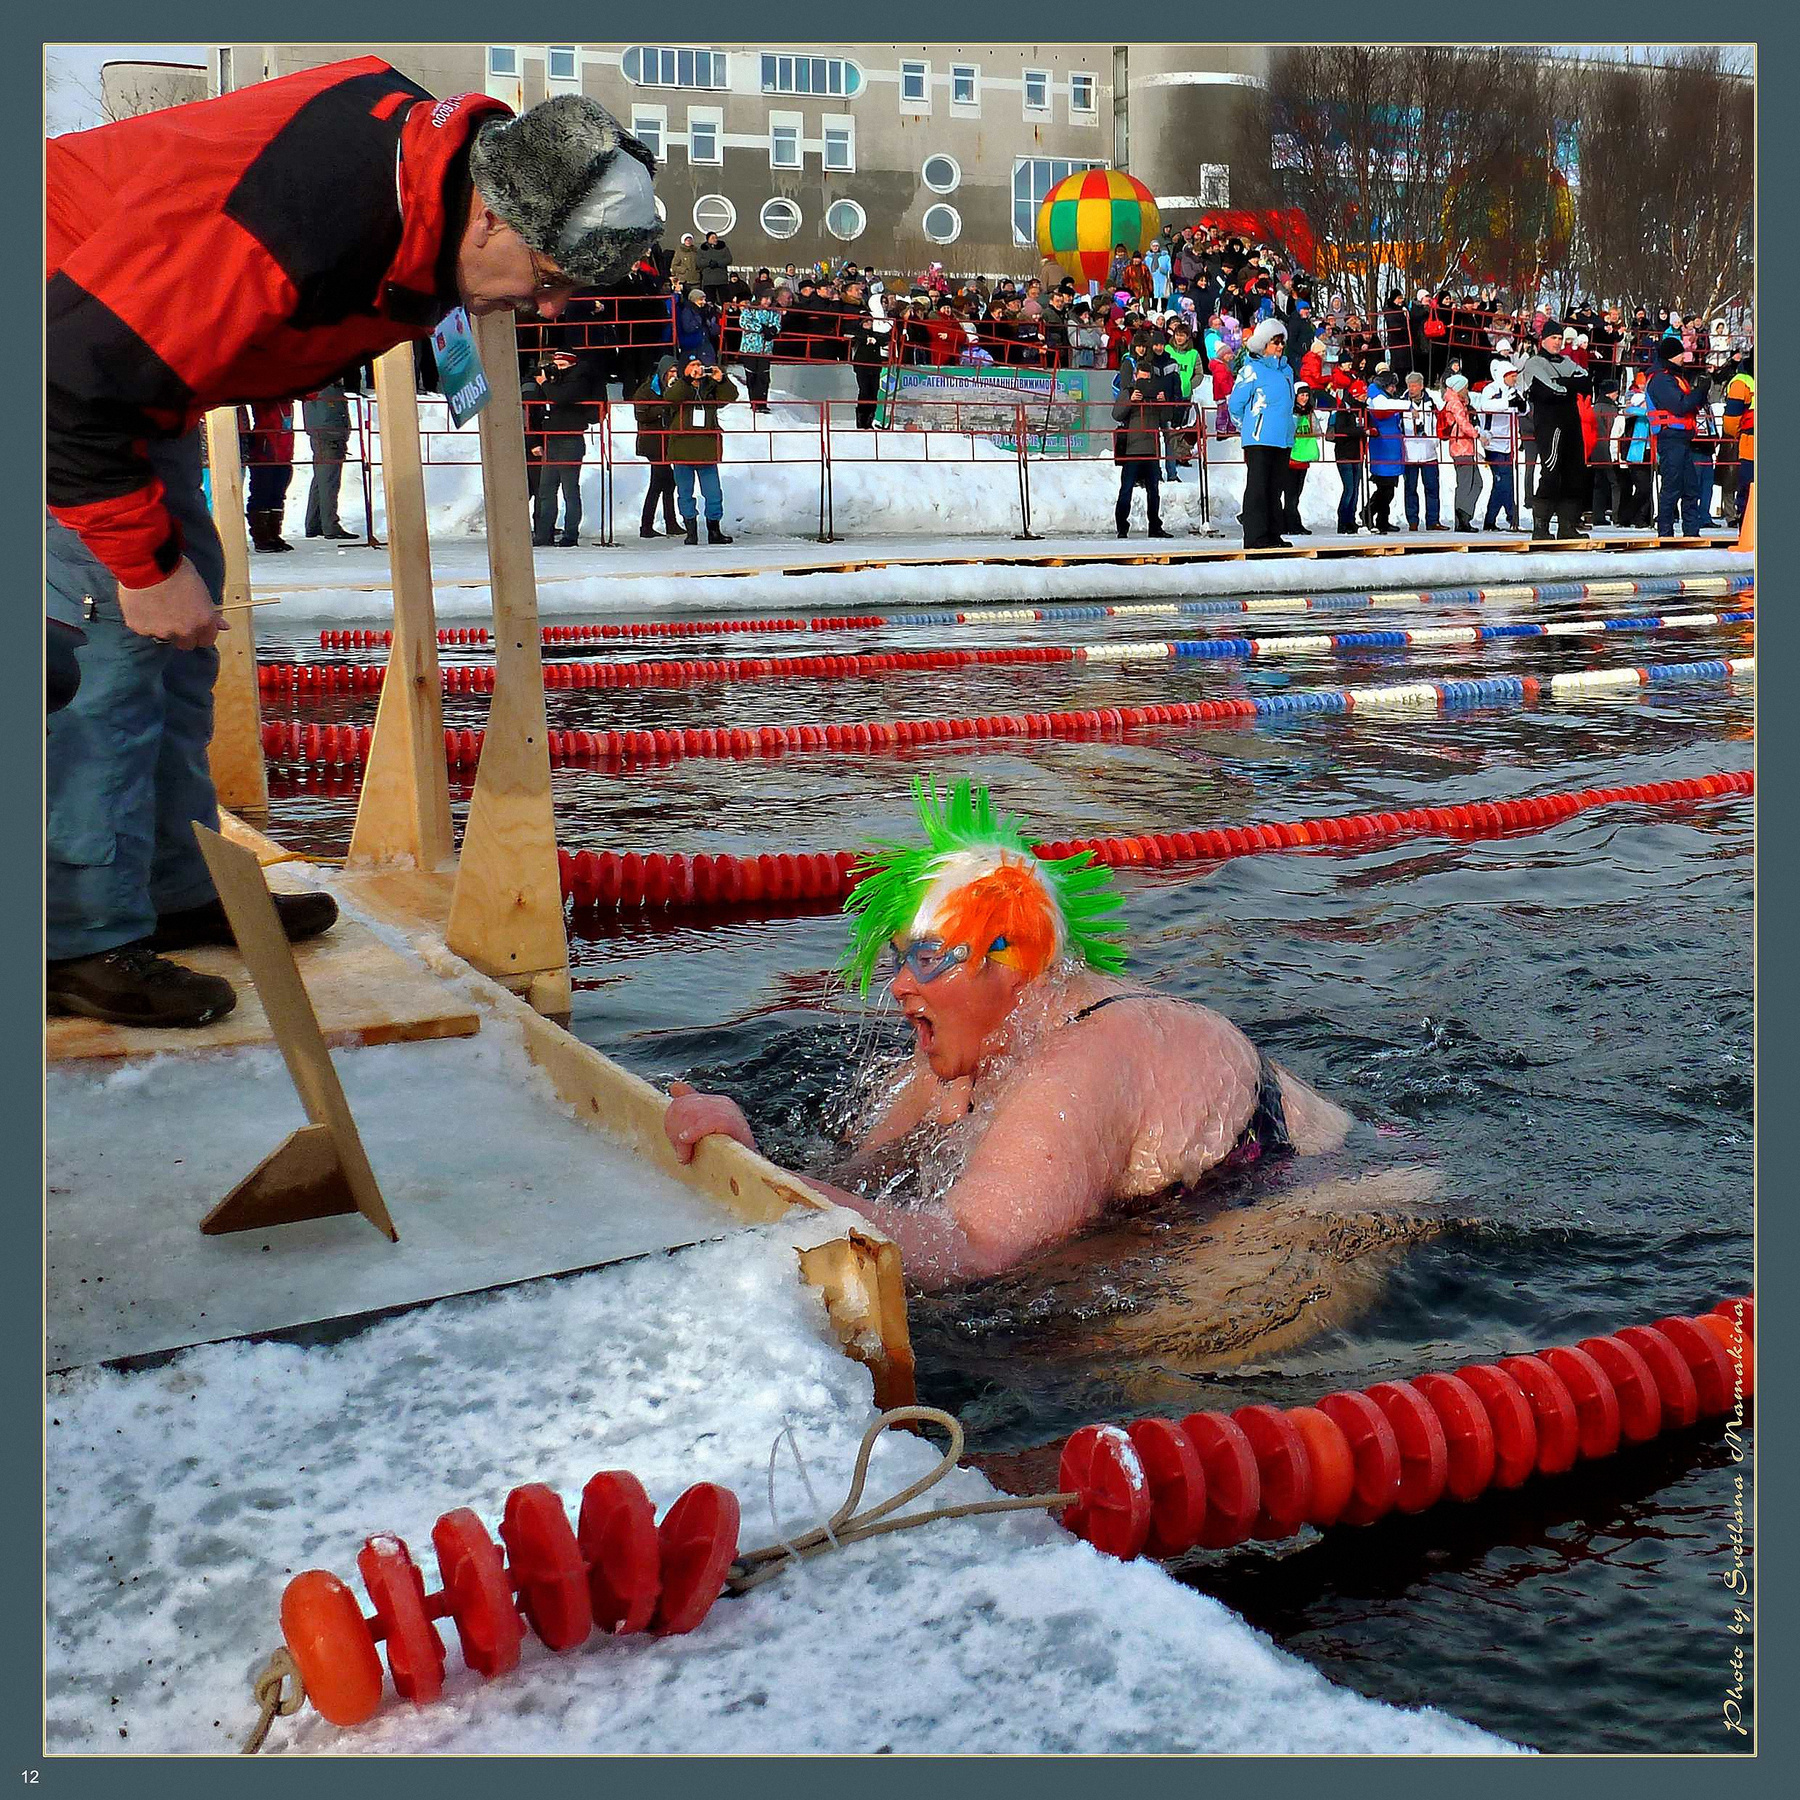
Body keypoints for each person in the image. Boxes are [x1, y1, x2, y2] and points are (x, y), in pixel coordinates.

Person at [47, 69, 658, 1026]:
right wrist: (140, 569)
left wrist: (170, 579)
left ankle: (171, 885)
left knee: (182, 637)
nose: (546, 313)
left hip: (132, 370)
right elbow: (66, 387)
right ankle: (74, 941)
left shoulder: (438, 180)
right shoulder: (294, 216)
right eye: (550, 282)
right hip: (62, 364)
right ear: (494, 221)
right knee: (113, 642)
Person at [663, 779, 1353, 1289]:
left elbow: (972, 1250)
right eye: (900, 957)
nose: (901, 985)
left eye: (927, 959)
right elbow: (852, 1181)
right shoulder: (955, 1062)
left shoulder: (1085, 1055)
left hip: (1325, 1211)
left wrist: (761, 1185)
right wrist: (752, 1166)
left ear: (1011, 962)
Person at [1516, 321, 1593, 540]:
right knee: (1550, 473)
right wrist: (1570, 386)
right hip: (1550, 424)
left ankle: (1566, 525)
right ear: (1544, 340)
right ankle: (1541, 525)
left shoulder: (1567, 361)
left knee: (1574, 473)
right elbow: (1548, 392)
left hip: (1571, 421)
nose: (1557, 342)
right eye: (1553, 338)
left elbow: (1587, 382)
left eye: (1560, 338)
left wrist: (1562, 383)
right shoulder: (1535, 363)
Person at [1227, 317, 1297, 550]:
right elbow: (1235, 404)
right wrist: (1246, 427)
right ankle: (1255, 536)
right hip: (1259, 439)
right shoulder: (1251, 369)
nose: (1279, 346)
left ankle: (1273, 534)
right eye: (1274, 342)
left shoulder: (1287, 371)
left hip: (1282, 438)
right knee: (1258, 486)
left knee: (1276, 487)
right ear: (1263, 344)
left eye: (1281, 342)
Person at [524, 348, 603, 546]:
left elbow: (563, 397)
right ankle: (544, 533)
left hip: (570, 439)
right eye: (555, 365)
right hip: (552, 439)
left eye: (562, 366)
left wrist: (545, 383)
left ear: (572, 364)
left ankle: (570, 534)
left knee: (569, 490)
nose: (557, 369)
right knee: (546, 490)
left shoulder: (579, 379)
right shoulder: (556, 381)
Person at [1646, 333, 1716, 540]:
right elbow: (1680, 405)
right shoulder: (1661, 379)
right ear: (1670, 356)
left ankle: (1691, 533)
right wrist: (1700, 391)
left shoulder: (1671, 377)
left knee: (1690, 487)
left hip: (1682, 439)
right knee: (1672, 486)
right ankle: (1665, 534)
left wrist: (1698, 393)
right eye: (1680, 354)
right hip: (1671, 439)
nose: (1683, 358)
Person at [664, 354, 738, 544]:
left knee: (713, 493)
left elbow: (731, 396)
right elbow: (671, 398)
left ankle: (714, 531)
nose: (697, 368)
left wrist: (721, 379)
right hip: (682, 449)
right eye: (692, 365)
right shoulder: (677, 385)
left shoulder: (711, 387)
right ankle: (691, 532)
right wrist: (687, 380)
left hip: (707, 449)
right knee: (685, 493)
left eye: (699, 365)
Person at [1112, 370, 1171, 540]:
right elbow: (1116, 415)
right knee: (1126, 490)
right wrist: (1130, 402)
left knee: (1154, 491)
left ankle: (1155, 527)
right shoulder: (1129, 392)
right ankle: (1122, 527)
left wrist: (1163, 402)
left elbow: (1167, 417)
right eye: (1141, 378)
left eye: (1147, 379)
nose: (1144, 383)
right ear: (1136, 376)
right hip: (1132, 450)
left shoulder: (1156, 393)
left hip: (1151, 450)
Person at [630, 353, 683, 539]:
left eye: (676, 371)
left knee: (666, 483)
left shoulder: (676, 388)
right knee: (662, 481)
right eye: (670, 371)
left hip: (668, 441)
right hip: (652, 442)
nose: (673, 375)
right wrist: (663, 405)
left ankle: (666, 523)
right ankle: (649, 525)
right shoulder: (646, 390)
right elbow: (641, 414)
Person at [302, 382, 358, 541]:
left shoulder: (319, 385)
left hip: (325, 434)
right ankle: (329, 525)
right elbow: (329, 414)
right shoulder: (326, 387)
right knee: (328, 482)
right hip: (329, 435)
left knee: (321, 480)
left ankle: (315, 523)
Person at [239, 401, 295, 553]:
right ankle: (261, 537)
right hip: (265, 451)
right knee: (261, 494)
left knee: (277, 495)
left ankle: (274, 534)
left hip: (284, 452)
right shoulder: (266, 394)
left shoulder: (288, 400)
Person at [1475, 359, 1524, 530]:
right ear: (1503, 375)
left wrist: (1522, 405)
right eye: (1511, 375)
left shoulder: (1514, 391)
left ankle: (1494, 520)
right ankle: (1509, 518)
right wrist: (1506, 403)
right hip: (1493, 442)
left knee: (1505, 482)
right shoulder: (1491, 390)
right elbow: (1485, 406)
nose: (1514, 378)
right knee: (1502, 482)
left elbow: (1522, 410)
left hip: (1508, 442)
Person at [1610, 366, 1656, 528]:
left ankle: (1642, 518)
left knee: (1647, 488)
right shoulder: (1632, 415)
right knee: (1642, 488)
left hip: (1650, 452)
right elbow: (1631, 412)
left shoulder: (1648, 415)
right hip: (1635, 452)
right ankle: (1627, 516)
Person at [1362, 369, 1407, 532]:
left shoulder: (1386, 398)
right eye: (1392, 386)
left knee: (1388, 490)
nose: (1394, 389)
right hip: (1383, 449)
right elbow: (1383, 408)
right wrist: (1407, 406)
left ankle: (1382, 519)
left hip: (1391, 449)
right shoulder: (1377, 399)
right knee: (1385, 490)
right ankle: (1368, 513)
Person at [1439, 373, 1483, 531]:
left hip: (1465, 447)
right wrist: (1477, 435)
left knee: (1476, 482)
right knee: (1466, 484)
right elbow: (1462, 423)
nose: (1467, 389)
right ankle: (1462, 518)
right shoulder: (1456, 404)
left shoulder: (1458, 402)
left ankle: (1464, 514)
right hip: (1461, 447)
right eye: (1465, 387)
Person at [733, 289, 783, 415]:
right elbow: (744, 322)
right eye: (765, 298)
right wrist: (761, 328)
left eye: (770, 299)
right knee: (752, 375)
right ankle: (754, 402)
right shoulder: (749, 309)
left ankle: (762, 403)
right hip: (750, 348)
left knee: (764, 376)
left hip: (765, 349)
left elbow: (777, 325)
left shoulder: (774, 312)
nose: (768, 301)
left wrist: (772, 330)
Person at [1281, 382, 1320, 534]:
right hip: (1291, 459)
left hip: (1303, 459)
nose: (1304, 398)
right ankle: (1292, 524)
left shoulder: (1310, 412)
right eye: (1301, 395)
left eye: (1306, 395)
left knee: (1296, 495)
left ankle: (1291, 523)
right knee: (1290, 496)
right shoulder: (1289, 412)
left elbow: (1316, 431)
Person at [1721, 351, 1754, 526]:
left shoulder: (1743, 381)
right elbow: (1732, 420)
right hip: (1750, 441)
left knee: (1749, 486)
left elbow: (1731, 420)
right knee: (1749, 486)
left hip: (1750, 439)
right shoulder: (1742, 382)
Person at [848, 301, 892, 430]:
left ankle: (869, 420)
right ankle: (861, 421)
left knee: (874, 392)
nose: (869, 324)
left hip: (875, 366)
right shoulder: (858, 333)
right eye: (866, 322)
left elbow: (885, 337)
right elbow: (852, 334)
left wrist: (874, 340)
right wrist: (866, 339)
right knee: (864, 392)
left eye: (870, 322)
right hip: (862, 366)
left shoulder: (875, 334)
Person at [697, 229, 731, 305]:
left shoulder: (723, 248)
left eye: (716, 238)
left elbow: (728, 259)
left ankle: (725, 314)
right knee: (710, 300)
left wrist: (718, 263)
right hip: (708, 280)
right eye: (712, 238)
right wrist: (709, 263)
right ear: (708, 239)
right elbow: (699, 262)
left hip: (721, 279)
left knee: (724, 300)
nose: (715, 239)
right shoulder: (702, 249)